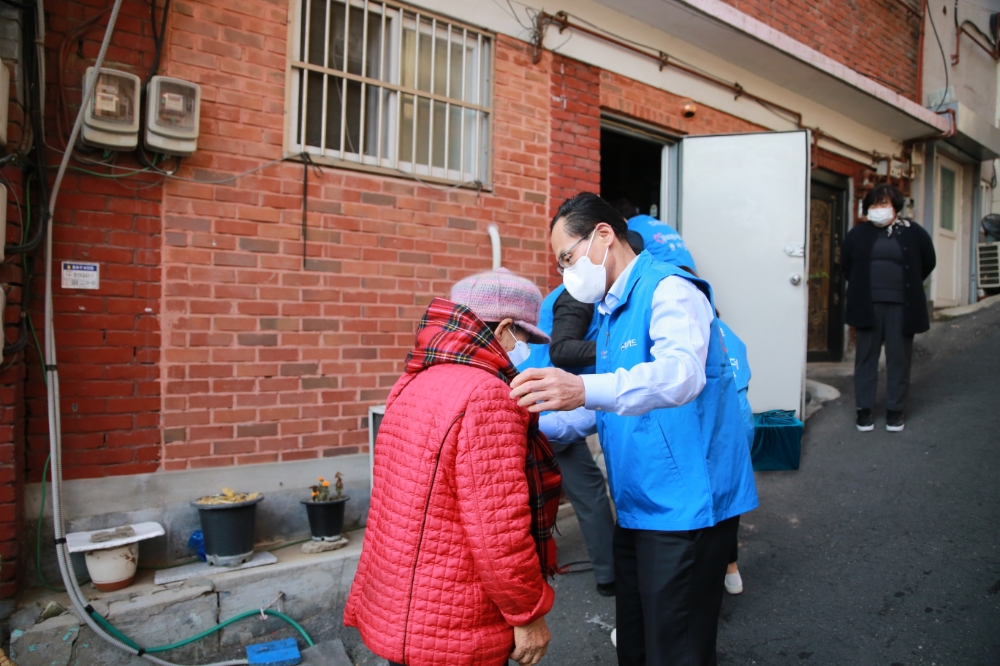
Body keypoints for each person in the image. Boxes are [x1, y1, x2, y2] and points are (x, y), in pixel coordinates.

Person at [513, 192, 759, 665]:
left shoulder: (670, 290)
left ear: (604, 234)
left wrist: (581, 390)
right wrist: (531, 428)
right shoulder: (611, 309)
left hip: (684, 508)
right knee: (639, 642)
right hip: (638, 503)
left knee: (677, 649)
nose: (565, 273)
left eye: (567, 257)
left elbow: (679, 375)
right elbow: (609, 402)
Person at [344, 268, 561, 666]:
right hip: (456, 616)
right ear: (506, 328)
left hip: (404, 608)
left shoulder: (414, 380)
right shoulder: (489, 394)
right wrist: (528, 614)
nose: (526, 348)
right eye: (526, 337)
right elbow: (499, 531)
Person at [518, 231, 646, 599]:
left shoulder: (595, 296)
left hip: (550, 404)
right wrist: (622, 350)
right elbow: (562, 351)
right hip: (547, 403)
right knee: (582, 490)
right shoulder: (579, 295)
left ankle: (605, 573)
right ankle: (608, 574)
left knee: (575, 487)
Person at [842, 184, 936, 433]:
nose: (878, 209)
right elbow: (846, 265)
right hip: (867, 305)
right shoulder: (857, 234)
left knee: (899, 359)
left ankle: (896, 410)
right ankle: (864, 410)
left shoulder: (913, 232)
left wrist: (911, 284)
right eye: (873, 205)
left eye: (883, 204)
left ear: (895, 207)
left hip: (901, 306)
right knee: (865, 359)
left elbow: (928, 261)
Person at [717, 319, 755, 596]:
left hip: (714, 431)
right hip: (742, 426)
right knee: (729, 501)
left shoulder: (685, 327)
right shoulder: (726, 333)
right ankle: (731, 569)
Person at [611, 198, 697, 273]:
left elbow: (626, 265)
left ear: (620, 219)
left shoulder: (632, 229)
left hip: (667, 279)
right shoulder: (656, 223)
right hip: (692, 280)